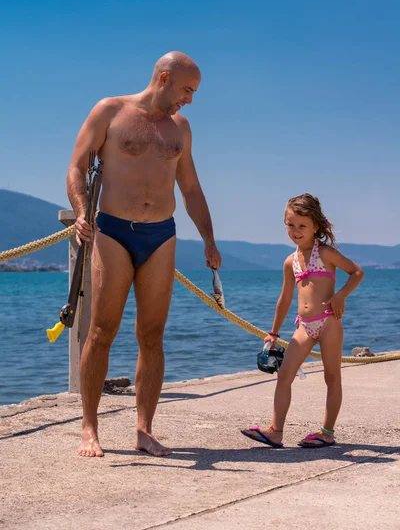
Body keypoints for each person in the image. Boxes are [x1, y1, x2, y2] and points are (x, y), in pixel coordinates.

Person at [67, 51, 222, 458]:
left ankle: (144, 430)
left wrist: (208, 239)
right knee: (102, 331)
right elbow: (76, 167)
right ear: (165, 78)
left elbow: (190, 188)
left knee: (152, 335)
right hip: (114, 231)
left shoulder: (181, 129)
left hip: (161, 235)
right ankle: (89, 427)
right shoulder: (110, 111)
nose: (190, 99)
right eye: (188, 89)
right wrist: (83, 213)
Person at [241, 193, 364, 448]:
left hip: (329, 321)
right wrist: (273, 333)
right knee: (284, 374)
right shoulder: (290, 261)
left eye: (302, 226)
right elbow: (284, 299)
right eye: (290, 225)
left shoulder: (327, 253)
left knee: (332, 377)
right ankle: (275, 431)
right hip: (304, 326)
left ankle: (326, 432)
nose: (296, 231)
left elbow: (356, 272)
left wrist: (340, 296)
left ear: (316, 226)